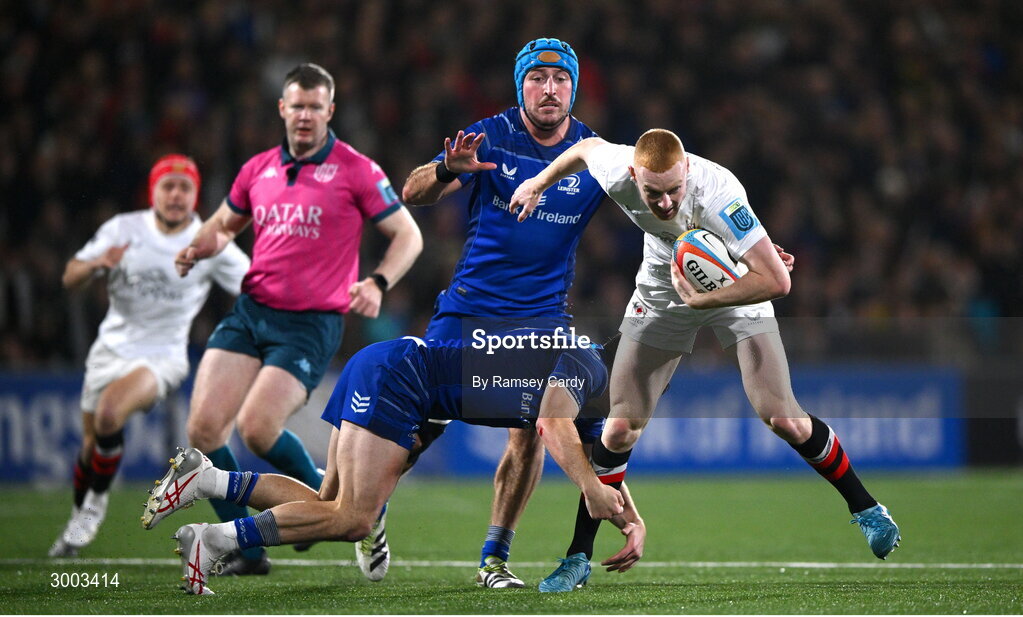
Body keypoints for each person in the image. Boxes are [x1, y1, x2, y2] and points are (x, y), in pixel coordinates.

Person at [509, 129, 902, 592]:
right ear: (634, 175)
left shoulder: (720, 193)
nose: (666, 203)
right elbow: (581, 150)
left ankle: (867, 509)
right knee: (619, 427)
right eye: (653, 193)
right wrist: (537, 182)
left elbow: (777, 281)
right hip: (662, 288)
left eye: (674, 190)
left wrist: (709, 296)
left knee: (782, 417)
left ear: (688, 172)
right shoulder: (616, 169)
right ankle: (578, 557)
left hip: (737, 283)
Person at [142, 333, 644, 596]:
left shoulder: (590, 388)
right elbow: (552, 430)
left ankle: (207, 478)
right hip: (402, 378)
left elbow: (596, 463)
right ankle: (215, 540)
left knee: (328, 504)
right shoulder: (586, 363)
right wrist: (595, 491)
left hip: (392, 366)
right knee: (354, 519)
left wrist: (627, 514)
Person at [173, 63, 422, 576]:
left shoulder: (355, 169)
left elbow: (408, 235)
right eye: (297, 106)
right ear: (282, 109)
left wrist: (377, 283)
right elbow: (225, 224)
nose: (305, 115)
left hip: (309, 324)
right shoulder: (257, 169)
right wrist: (202, 244)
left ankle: (336, 506)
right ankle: (251, 547)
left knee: (258, 430)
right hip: (251, 313)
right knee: (203, 427)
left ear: (329, 111)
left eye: (315, 107)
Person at [399, 37, 610, 589]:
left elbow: (665, 195)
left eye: (559, 79)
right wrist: (447, 168)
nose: (549, 89)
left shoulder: (594, 151)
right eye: (537, 79)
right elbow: (412, 190)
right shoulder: (491, 135)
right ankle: (365, 509)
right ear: (521, 87)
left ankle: (494, 559)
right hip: (469, 311)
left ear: (573, 87)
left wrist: (740, 249)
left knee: (529, 430)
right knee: (413, 431)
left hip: (540, 320)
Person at [48, 154, 250, 557]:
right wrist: (96, 265)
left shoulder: (208, 240)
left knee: (109, 414)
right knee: (91, 447)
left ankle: (93, 508)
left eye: (185, 187)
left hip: (163, 356)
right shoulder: (123, 229)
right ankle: (83, 511)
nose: (176, 195)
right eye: (168, 186)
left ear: (196, 194)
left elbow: (256, 283)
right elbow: (69, 277)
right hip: (109, 351)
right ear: (153, 191)